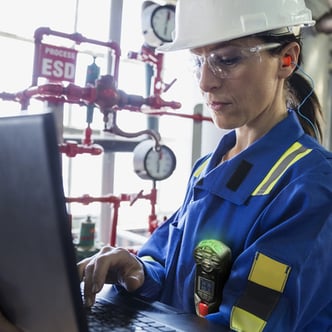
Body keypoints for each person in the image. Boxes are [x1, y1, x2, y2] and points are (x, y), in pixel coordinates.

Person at [1, 0, 331, 331]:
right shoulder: (208, 169)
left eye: (227, 60)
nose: (205, 83)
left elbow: (246, 324)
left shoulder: (312, 188)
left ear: (287, 59)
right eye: (198, 61)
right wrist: (137, 272)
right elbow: (169, 270)